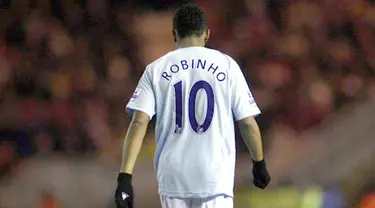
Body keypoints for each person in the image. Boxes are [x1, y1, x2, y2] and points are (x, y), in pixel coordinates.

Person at [114, 4, 270, 208]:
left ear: (174, 34)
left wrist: (125, 176)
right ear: (206, 34)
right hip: (215, 177)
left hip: (173, 178)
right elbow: (247, 122)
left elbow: (139, 123)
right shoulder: (227, 66)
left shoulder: (156, 69)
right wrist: (259, 163)